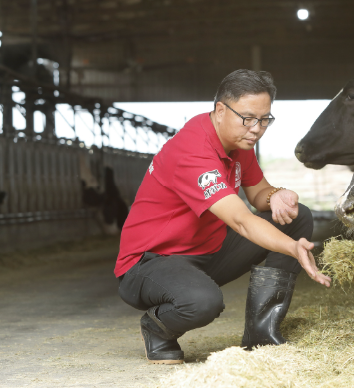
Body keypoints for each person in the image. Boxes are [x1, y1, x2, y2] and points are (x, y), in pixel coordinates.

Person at [114, 69, 331, 364]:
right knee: (202, 303)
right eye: (248, 118)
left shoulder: (238, 142)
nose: (256, 128)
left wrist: (275, 194)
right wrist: (292, 248)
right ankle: (157, 326)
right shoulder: (193, 150)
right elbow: (242, 220)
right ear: (220, 110)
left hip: (207, 252)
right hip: (150, 263)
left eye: (265, 119)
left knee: (296, 216)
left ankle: (261, 334)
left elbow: (258, 193)